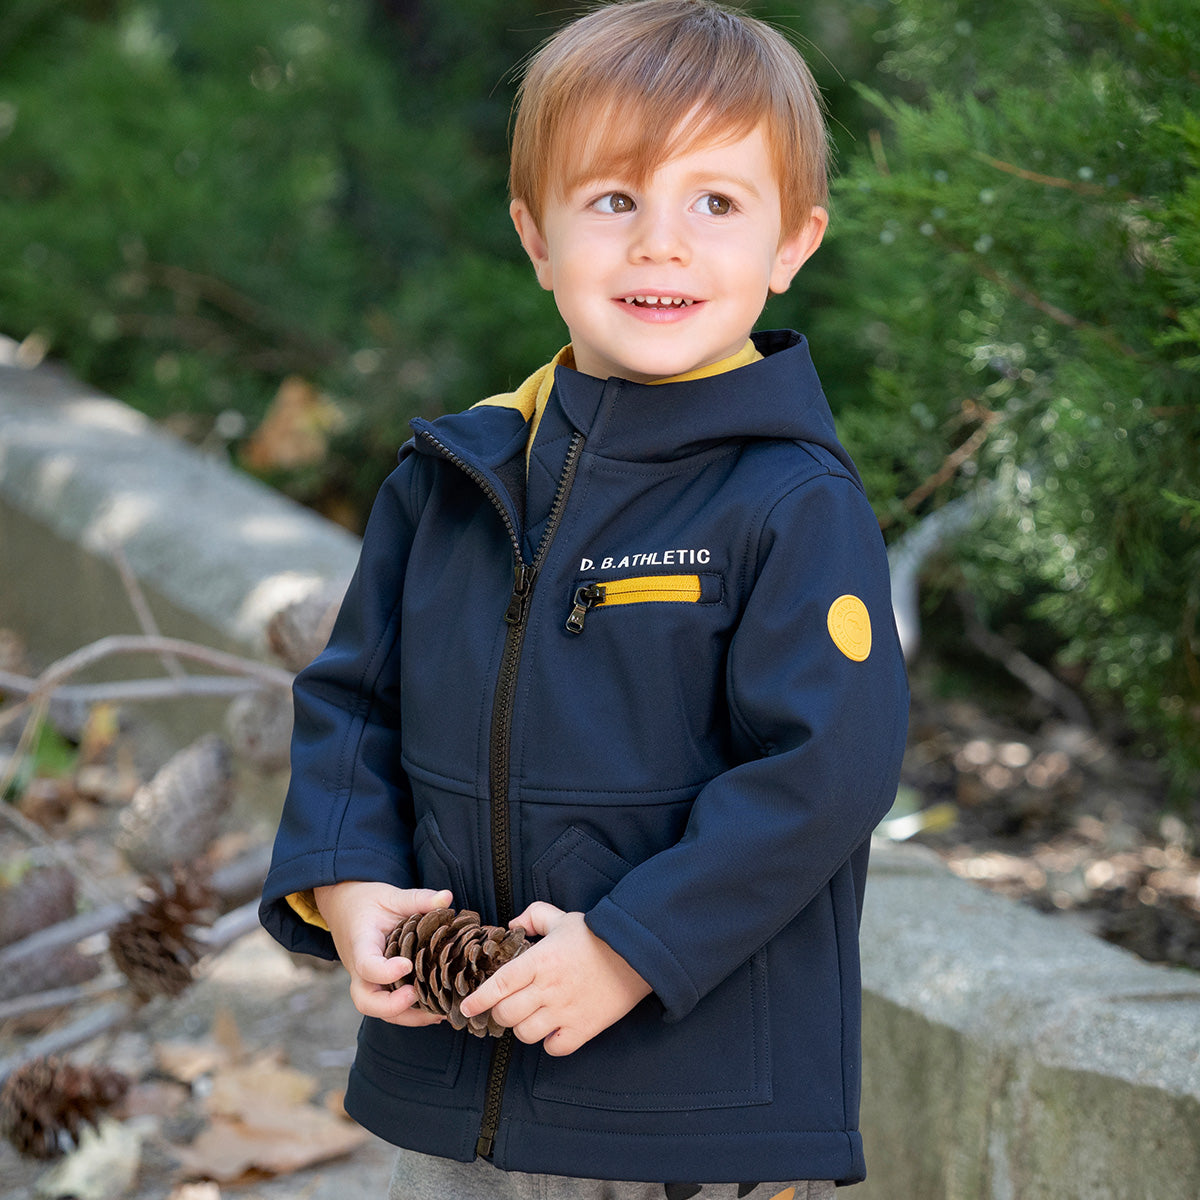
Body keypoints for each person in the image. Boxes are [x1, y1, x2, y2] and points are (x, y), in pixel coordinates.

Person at [259, 2, 909, 1197]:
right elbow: (352, 702)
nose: (662, 245)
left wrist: (626, 950)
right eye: (615, 200)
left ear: (792, 244)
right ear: (536, 235)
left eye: (716, 203)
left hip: (691, 1108)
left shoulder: (790, 504)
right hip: (460, 1084)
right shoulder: (454, 479)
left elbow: (825, 771)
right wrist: (344, 884)